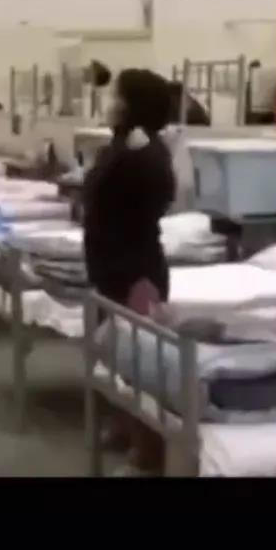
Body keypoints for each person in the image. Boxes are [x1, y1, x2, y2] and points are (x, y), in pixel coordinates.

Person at [83, 68, 176, 472]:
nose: (110, 102)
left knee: (141, 364)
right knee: (116, 356)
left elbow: (161, 196)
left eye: (116, 95)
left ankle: (148, 457)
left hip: (136, 271)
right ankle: (124, 427)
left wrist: (135, 155)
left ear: (133, 104)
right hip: (109, 267)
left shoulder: (148, 150)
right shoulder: (122, 143)